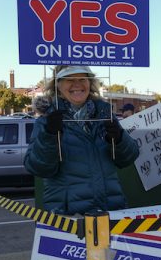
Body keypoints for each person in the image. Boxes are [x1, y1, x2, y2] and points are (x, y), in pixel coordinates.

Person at [24, 66, 140, 215]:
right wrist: (49, 136)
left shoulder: (105, 116)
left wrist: (119, 140)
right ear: (57, 85)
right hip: (68, 217)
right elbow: (37, 168)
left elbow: (129, 158)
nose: (77, 84)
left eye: (82, 79)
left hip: (111, 211)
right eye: (69, 79)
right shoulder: (46, 121)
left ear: (90, 83)